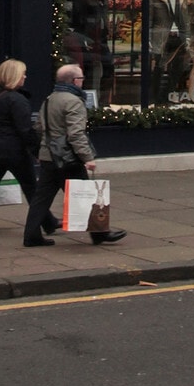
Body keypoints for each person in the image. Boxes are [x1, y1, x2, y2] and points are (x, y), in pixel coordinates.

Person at [24, 62, 125, 248]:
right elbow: (76, 134)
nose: (82, 81)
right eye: (81, 78)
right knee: (89, 194)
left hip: (49, 157)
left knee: (41, 198)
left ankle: (31, 235)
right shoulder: (74, 102)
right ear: (73, 81)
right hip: (68, 159)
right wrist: (87, 158)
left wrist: (41, 151)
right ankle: (100, 234)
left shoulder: (49, 99)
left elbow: (38, 128)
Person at [0, 59, 57, 240]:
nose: (25, 76)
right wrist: (37, 152)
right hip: (14, 151)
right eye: (22, 73)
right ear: (14, 76)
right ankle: (42, 226)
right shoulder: (17, 100)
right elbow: (25, 130)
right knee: (33, 189)